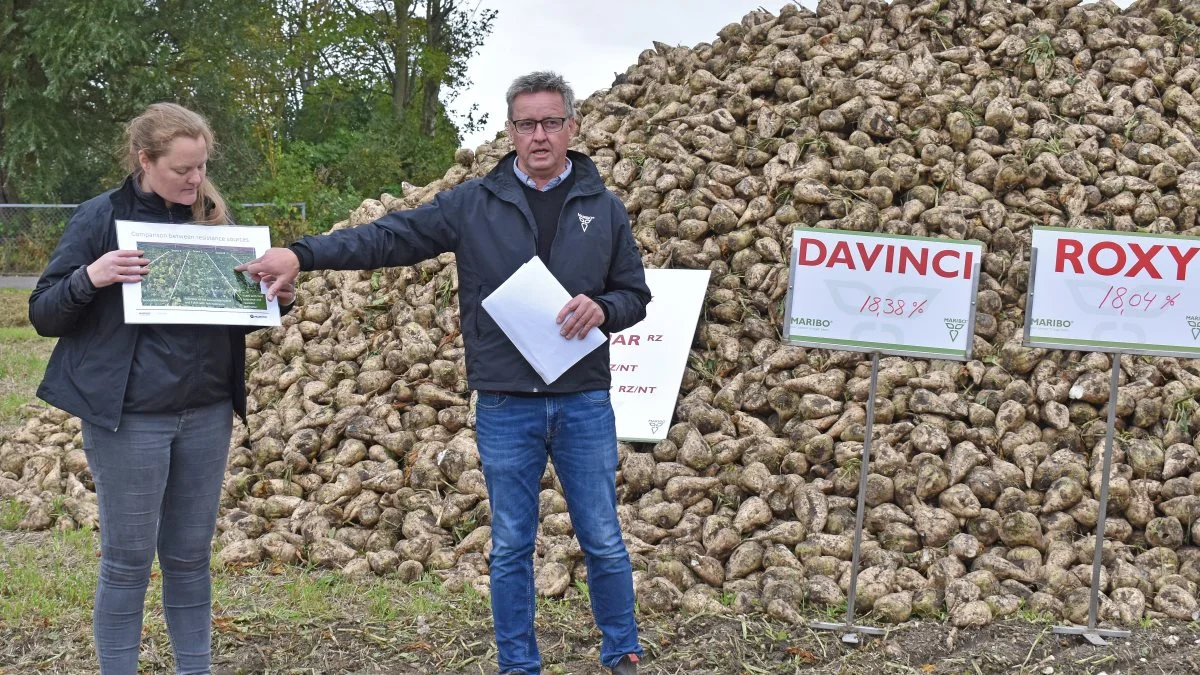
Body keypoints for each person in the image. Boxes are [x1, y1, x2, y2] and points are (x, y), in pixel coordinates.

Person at [237, 71, 649, 675]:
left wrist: (604, 308)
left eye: (551, 122)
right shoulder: (472, 204)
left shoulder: (603, 207)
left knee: (604, 540)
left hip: (583, 398)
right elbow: (389, 237)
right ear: (509, 131)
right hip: (507, 404)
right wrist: (303, 253)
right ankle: (518, 664)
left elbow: (634, 294)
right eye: (527, 124)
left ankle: (623, 651)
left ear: (573, 128)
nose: (540, 135)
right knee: (511, 545)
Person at [29, 102, 294, 674]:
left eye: (201, 167)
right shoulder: (99, 218)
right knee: (126, 562)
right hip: (128, 418)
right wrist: (91, 277)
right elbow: (44, 313)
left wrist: (271, 297)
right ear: (144, 160)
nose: (196, 180)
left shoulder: (216, 221)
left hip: (205, 413)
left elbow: (233, 308)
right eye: (182, 170)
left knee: (191, 558)